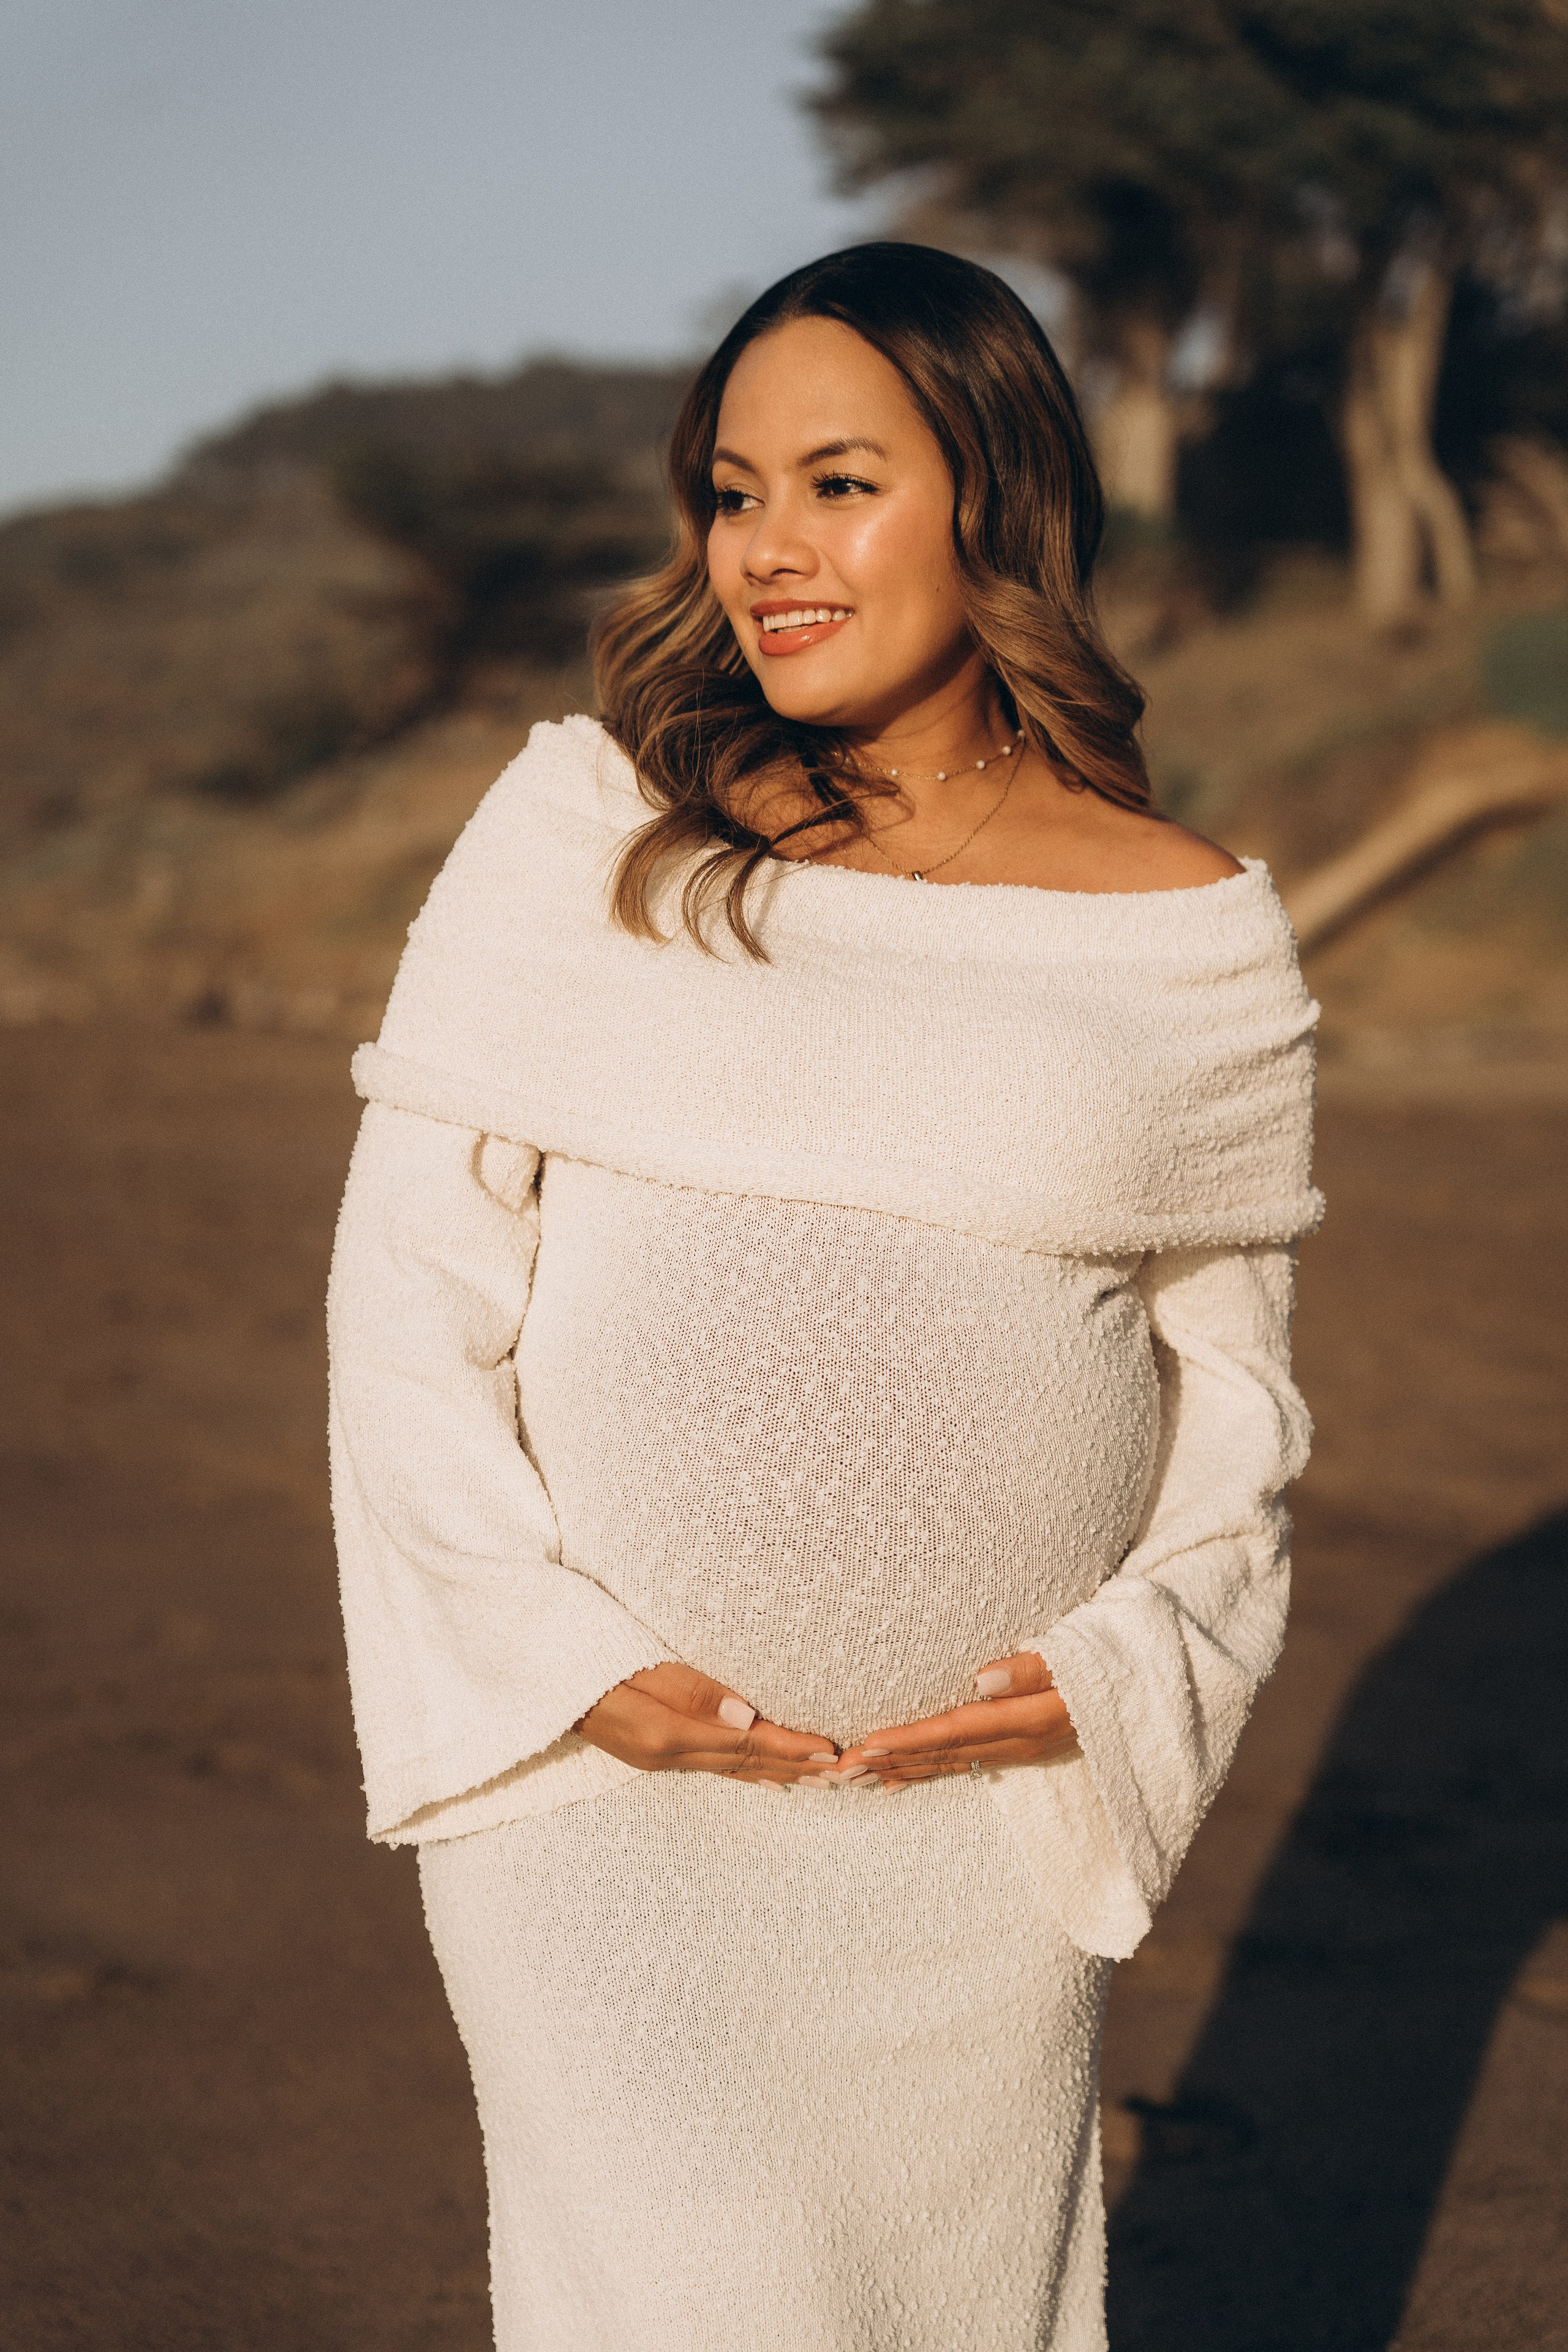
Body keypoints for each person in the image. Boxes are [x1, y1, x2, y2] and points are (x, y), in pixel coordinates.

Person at [326, 243, 1321, 2351]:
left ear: (993, 492)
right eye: (732, 489)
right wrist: (550, 1664)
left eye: (837, 483)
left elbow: (1232, 1405)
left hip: (972, 1844)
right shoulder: (584, 838)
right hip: (608, 1800)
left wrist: (1123, 1671)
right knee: (702, 2291)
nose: (767, 549)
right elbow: (406, 1309)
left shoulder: (1186, 932)